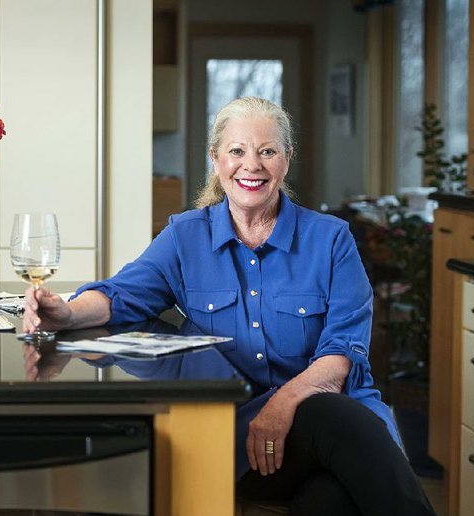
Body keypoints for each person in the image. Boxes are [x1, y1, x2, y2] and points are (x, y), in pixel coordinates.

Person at [22, 96, 436, 515]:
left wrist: (282, 404)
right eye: (237, 151)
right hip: (250, 435)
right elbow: (120, 295)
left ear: (286, 160)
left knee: (330, 499)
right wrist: (68, 313)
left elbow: (343, 355)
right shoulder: (185, 237)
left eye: (267, 151)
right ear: (216, 160)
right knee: (339, 428)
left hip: (343, 426)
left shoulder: (331, 240)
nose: (251, 165)